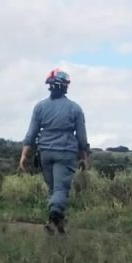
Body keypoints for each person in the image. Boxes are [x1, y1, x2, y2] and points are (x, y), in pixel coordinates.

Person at [18, 68, 89, 235]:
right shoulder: (75, 109)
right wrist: (83, 157)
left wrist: (24, 156)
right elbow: (82, 138)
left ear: (49, 86)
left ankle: (59, 225)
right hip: (65, 153)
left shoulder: (40, 107)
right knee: (61, 189)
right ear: (66, 87)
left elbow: (31, 135)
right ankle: (53, 218)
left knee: (53, 189)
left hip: (45, 153)